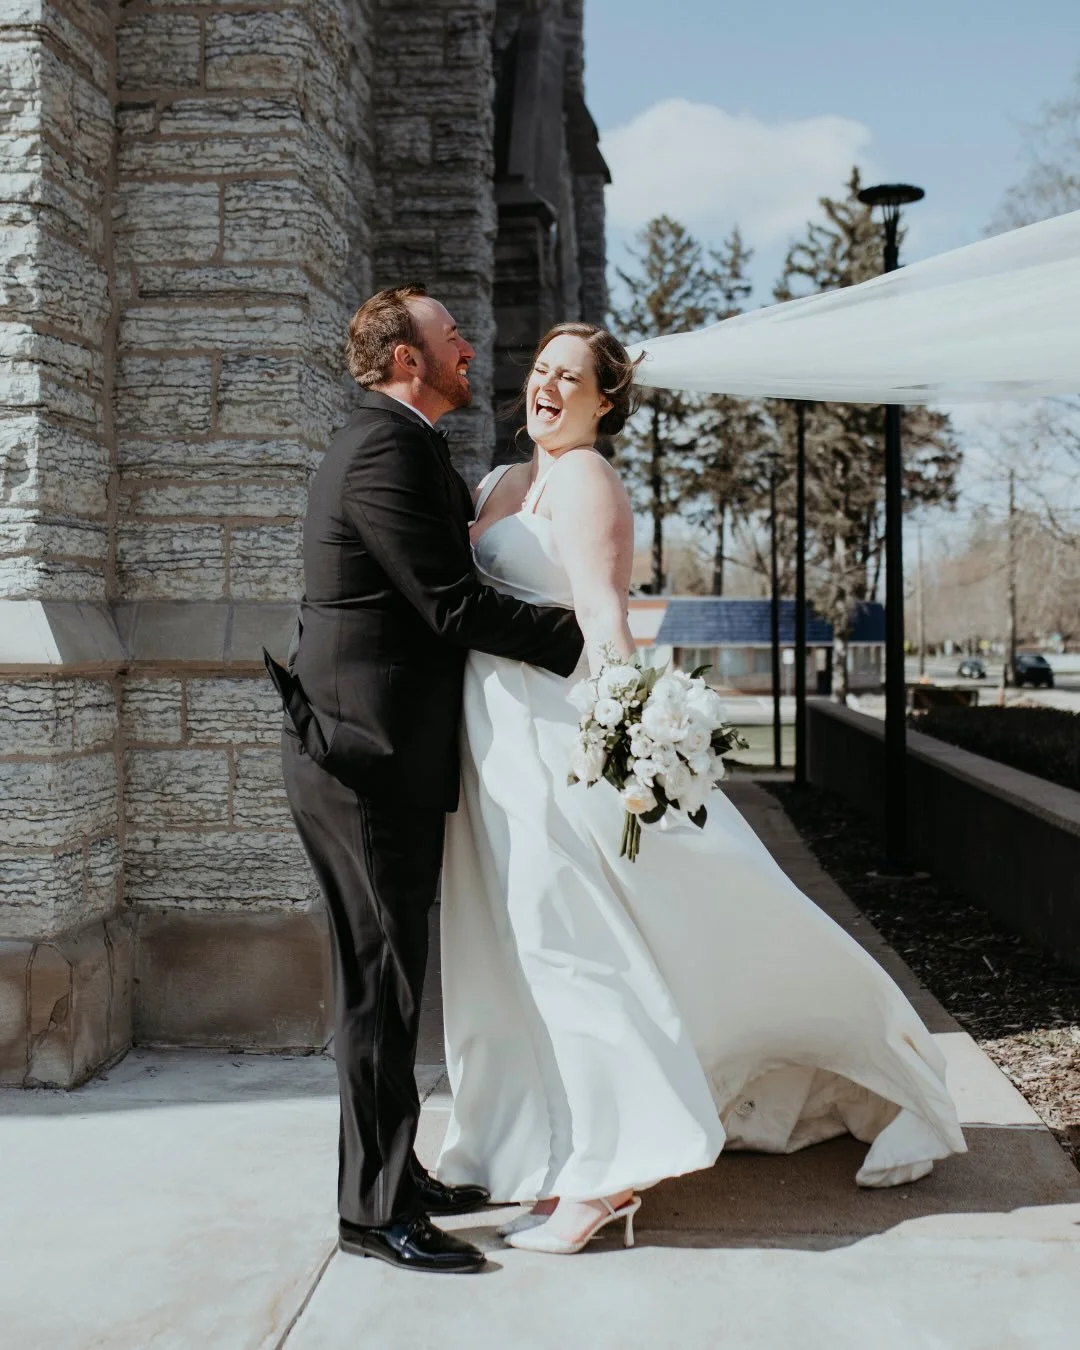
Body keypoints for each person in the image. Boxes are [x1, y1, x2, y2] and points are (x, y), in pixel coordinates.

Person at [434, 321, 966, 1255]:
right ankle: (549, 1151)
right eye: (542, 369)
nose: (548, 386)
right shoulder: (501, 481)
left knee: (571, 947)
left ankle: (613, 1175)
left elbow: (602, 614)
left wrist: (627, 734)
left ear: (606, 402)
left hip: (553, 740)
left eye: (573, 378)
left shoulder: (589, 478)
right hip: (491, 746)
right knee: (515, 951)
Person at [267, 287, 583, 1274]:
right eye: (452, 336)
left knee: (394, 986)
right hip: (363, 757)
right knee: (378, 988)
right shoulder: (385, 448)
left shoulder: (406, 446)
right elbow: (450, 606)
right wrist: (586, 640)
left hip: (381, 753)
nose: (469, 347)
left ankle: (396, 1175)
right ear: (408, 359)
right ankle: (371, 1215)